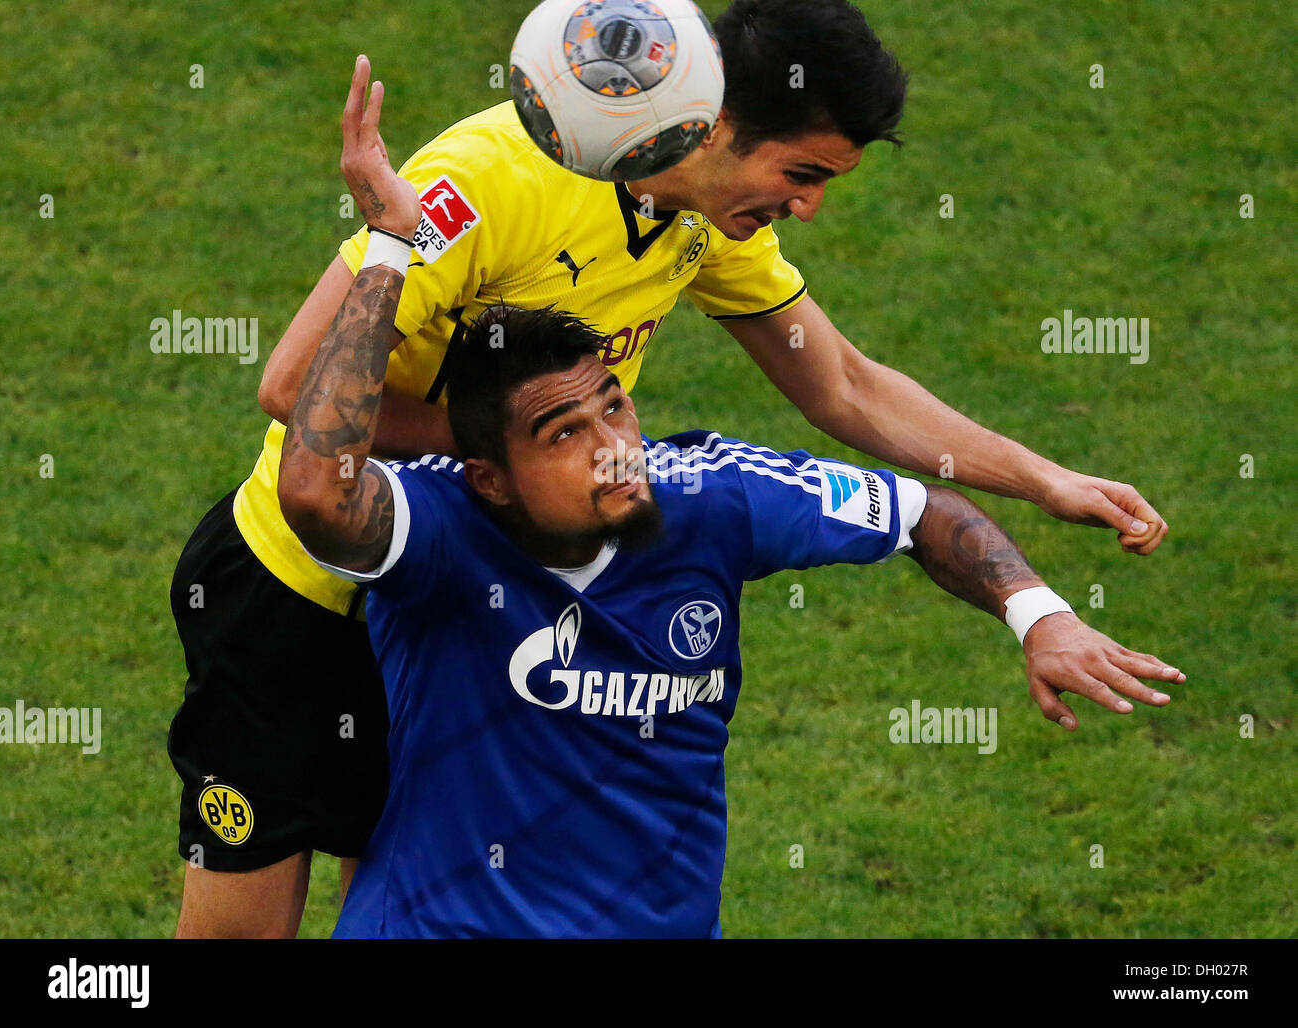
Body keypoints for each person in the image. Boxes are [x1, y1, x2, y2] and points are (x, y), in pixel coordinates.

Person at [169, 0, 1168, 937]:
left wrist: (1044, 479)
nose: (808, 208)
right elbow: (294, 389)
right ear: (717, 118)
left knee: (406, 890)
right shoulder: (489, 178)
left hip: (467, 591)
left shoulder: (697, 214)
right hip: (304, 588)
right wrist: (519, 446)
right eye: (804, 174)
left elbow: (845, 387)